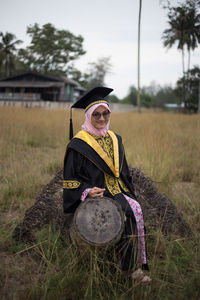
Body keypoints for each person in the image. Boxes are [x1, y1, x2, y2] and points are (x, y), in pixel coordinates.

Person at [63, 87, 151, 285]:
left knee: (135, 208)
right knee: (127, 212)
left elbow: (125, 171)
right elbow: (70, 178)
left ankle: (126, 262)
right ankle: (130, 269)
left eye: (105, 114)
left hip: (118, 189)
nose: (102, 118)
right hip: (98, 191)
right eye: (96, 115)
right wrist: (86, 190)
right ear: (88, 116)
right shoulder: (78, 144)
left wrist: (127, 189)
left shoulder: (115, 138)